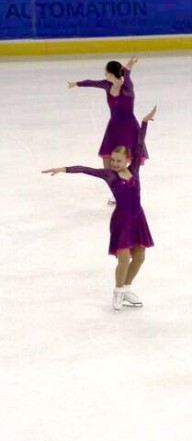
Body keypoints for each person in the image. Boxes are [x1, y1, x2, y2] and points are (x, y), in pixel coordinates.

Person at [42, 106, 157, 311]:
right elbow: (86, 169)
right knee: (123, 259)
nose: (114, 163)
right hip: (122, 219)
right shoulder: (109, 175)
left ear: (128, 160)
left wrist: (145, 122)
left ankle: (126, 288)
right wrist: (64, 169)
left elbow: (139, 144)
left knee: (139, 258)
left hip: (138, 218)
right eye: (112, 160)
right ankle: (118, 291)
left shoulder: (134, 170)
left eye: (118, 160)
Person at [68, 56, 146, 204]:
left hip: (129, 128)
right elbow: (91, 82)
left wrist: (129, 66)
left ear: (111, 74)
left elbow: (127, 73)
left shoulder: (127, 85)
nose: (104, 75)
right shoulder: (106, 84)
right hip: (114, 127)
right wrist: (76, 83)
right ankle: (116, 191)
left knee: (130, 160)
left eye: (106, 72)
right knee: (107, 160)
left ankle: (131, 188)